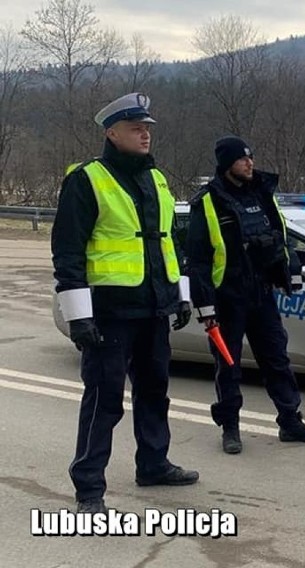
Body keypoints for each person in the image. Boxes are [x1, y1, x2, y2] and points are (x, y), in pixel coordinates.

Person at [52, 93, 199, 514]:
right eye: (137, 128)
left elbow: (172, 243)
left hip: (153, 308)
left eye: (148, 128)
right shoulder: (88, 179)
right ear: (112, 132)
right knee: (104, 400)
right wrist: (78, 316)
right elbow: (68, 251)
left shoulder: (156, 179)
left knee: (155, 393)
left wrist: (180, 295)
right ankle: (88, 487)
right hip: (110, 313)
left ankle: (153, 464)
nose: (145, 134)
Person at [185, 136, 305, 454]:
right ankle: (230, 428)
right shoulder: (208, 202)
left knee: (277, 359)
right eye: (242, 159)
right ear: (226, 164)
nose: (250, 163)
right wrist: (205, 305)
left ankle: (290, 421)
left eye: (251, 158)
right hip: (227, 298)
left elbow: (282, 237)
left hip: (261, 294)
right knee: (229, 365)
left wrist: (288, 270)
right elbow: (198, 259)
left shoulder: (262, 193)